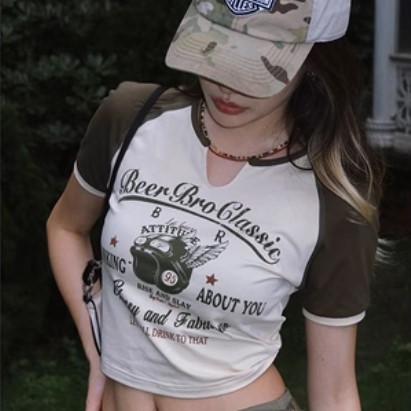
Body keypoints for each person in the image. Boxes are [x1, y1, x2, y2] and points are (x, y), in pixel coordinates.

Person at [46, 0, 382, 410]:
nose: (227, 85)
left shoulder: (335, 195)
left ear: (313, 59)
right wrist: (97, 343)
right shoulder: (131, 118)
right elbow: (66, 227)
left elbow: (336, 391)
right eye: (215, 50)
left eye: (254, 66)